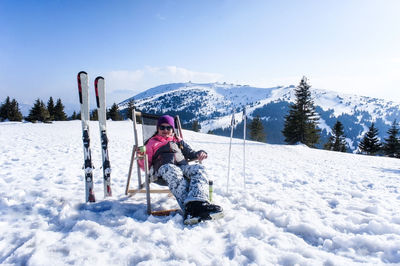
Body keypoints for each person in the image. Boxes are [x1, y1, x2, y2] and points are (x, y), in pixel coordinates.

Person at [138, 115, 223, 224]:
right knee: (173, 170)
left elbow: (191, 153)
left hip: (182, 167)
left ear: (172, 129)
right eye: (162, 127)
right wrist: (141, 157)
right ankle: (192, 210)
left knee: (199, 168)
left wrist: (201, 152)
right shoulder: (152, 142)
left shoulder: (178, 141)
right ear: (157, 128)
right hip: (163, 170)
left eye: (168, 128)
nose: (165, 130)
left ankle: (199, 203)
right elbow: (145, 165)